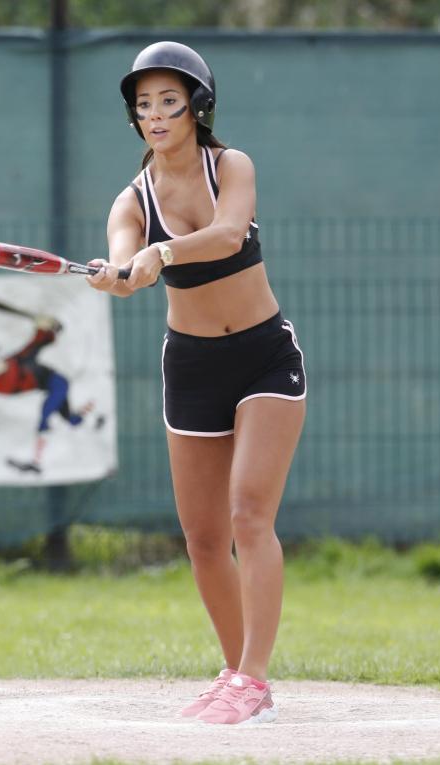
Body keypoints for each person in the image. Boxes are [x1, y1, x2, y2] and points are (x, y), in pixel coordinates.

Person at [86, 42, 306, 725]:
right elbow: (129, 262)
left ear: (197, 106)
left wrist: (163, 252)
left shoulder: (229, 165)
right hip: (190, 365)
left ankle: (255, 675)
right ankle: (239, 673)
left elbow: (230, 232)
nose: (155, 114)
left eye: (168, 101)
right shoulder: (132, 200)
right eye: (143, 103)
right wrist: (121, 272)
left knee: (248, 515)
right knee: (204, 537)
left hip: (264, 358)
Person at [0, 314, 98, 473]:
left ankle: (37, 462)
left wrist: (44, 329)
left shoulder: (15, 361)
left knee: (45, 415)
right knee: (70, 418)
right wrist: (43, 329)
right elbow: (11, 379)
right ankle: (96, 420)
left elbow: (36, 344)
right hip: (53, 386)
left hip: (58, 383)